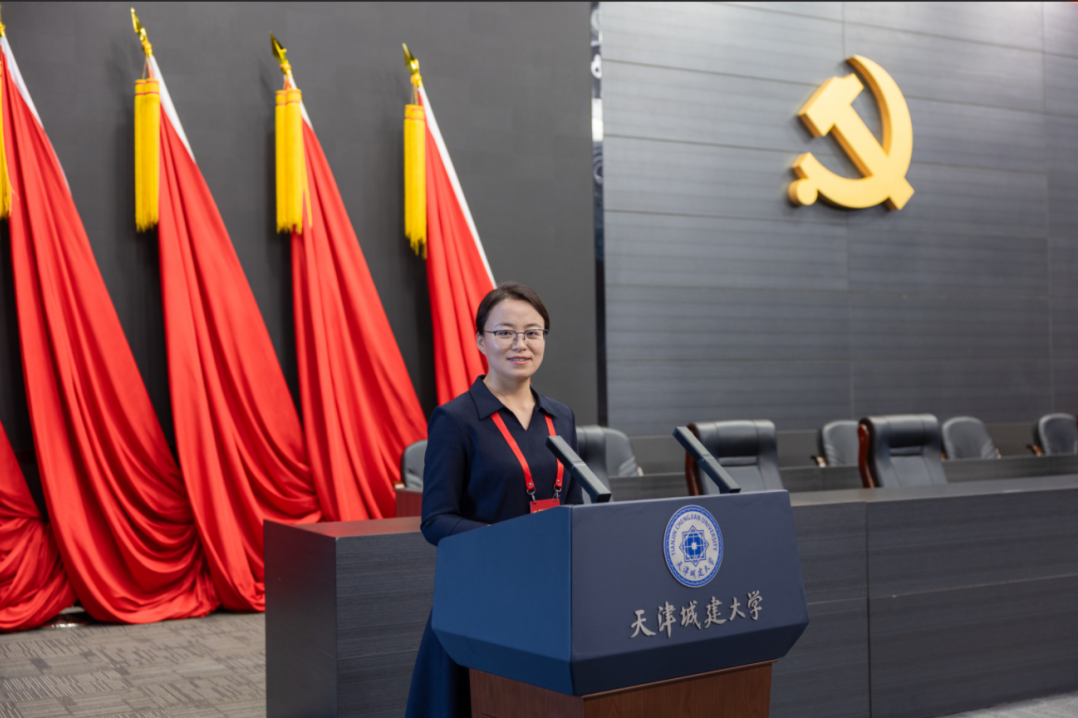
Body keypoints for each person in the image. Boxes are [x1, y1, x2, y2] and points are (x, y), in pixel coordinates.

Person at [405, 281, 584, 718]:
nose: (520, 344)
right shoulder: (455, 419)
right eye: (505, 332)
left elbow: (574, 506)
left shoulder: (561, 416)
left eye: (532, 332)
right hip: (484, 593)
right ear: (480, 340)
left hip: (548, 593)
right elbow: (435, 520)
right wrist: (507, 541)